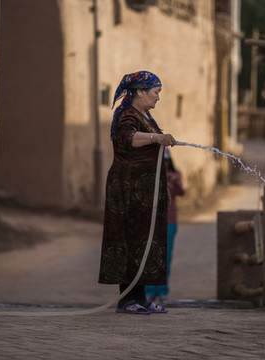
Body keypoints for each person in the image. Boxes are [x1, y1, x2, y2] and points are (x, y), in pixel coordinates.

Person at [98, 71, 176, 315]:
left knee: (146, 241)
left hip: (146, 192)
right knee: (130, 241)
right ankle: (126, 300)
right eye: (156, 92)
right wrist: (156, 137)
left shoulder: (146, 115)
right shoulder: (127, 115)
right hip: (128, 189)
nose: (158, 98)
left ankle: (140, 298)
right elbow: (128, 138)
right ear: (140, 92)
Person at [146, 148, 185, 302]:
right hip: (152, 221)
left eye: (166, 160)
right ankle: (149, 290)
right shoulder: (150, 176)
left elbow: (182, 193)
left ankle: (162, 290)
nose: (164, 163)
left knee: (165, 257)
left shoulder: (174, 176)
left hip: (169, 220)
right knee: (151, 256)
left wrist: (175, 184)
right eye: (162, 160)